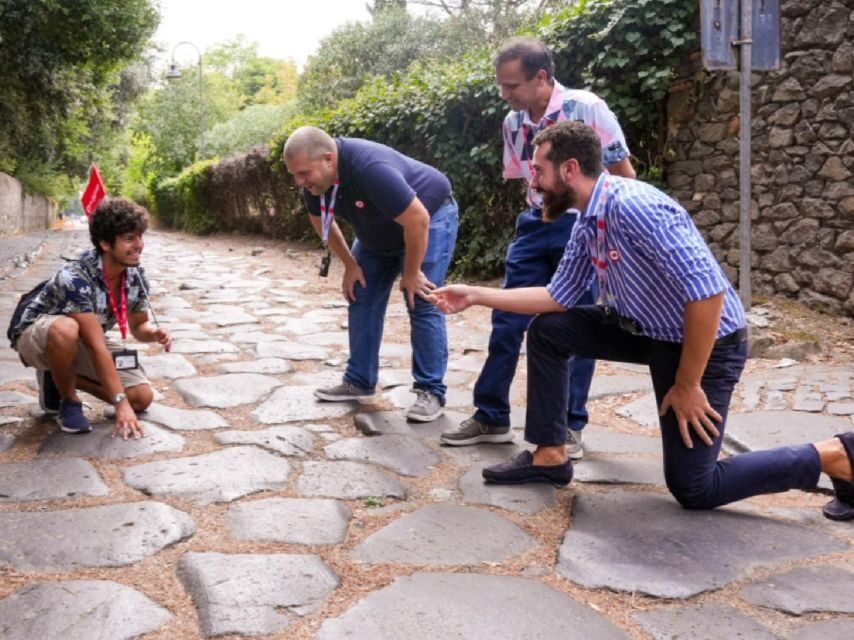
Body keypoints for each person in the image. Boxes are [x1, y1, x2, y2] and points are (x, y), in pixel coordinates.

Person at [431, 120, 854, 519]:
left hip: (705, 344)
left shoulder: (634, 206)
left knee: (696, 487)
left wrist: (688, 384)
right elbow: (557, 296)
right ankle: (550, 456)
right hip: (648, 331)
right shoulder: (588, 220)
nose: (534, 182)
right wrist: (475, 295)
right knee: (550, 331)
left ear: (570, 168)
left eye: (539, 170)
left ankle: (834, 454)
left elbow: (708, 293)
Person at [439, 37, 635, 458]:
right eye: (501, 86)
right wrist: (535, 221)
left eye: (512, 86)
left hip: (583, 224)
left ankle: (569, 426)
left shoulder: (588, 109)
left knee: (577, 325)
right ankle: (491, 415)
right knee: (506, 319)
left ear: (541, 78)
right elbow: (527, 183)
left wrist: (616, 232)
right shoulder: (512, 124)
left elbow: (623, 174)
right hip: (534, 224)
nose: (504, 95)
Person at [283, 126, 458, 422]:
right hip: (377, 231)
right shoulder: (315, 184)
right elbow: (323, 225)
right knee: (360, 292)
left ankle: (431, 391)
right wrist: (350, 265)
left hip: (428, 218)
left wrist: (412, 272)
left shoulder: (369, 168)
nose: (300, 182)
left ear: (328, 158)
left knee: (421, 298)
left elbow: (418, 220)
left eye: (303, 173)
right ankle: (359, 380)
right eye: (295, 175)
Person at [8, 197, 170, 440]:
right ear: (105, 244)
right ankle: (69, 401)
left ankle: (57, 375)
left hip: (81, 339)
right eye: (129, 238)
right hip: (37, 336)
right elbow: (96, 346)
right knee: (66, 328)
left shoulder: (135, 274)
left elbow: (138, 325)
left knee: (141, 398)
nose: (139, 245)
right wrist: (119, 404)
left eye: (140, 237)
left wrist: (152, 333)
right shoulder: (75, 277)